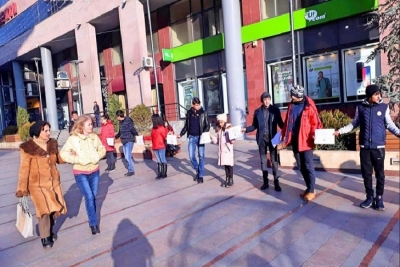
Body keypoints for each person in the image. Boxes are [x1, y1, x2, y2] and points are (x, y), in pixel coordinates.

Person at [334, 85, 400, 210]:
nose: (378, 96)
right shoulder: (361, 107)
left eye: (379, 94)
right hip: (365, 146)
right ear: (369, 96)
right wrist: (340, 131)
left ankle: (379, 198)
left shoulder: (383, 107)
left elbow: (389, 124)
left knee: (380, 174)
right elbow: (354, 123)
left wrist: (398, 133)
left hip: (378, 146)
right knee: (366, 174)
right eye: (376, 94)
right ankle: (369, 197)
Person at [16, 121, 67, 248]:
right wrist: (22, 189)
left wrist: (69, 155)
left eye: (49, 130)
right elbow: (24, 169)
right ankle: (45, 238)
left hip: (53, 183)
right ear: (37, 132)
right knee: (43, 211)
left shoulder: (52, 144)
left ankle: (49, 231)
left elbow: (59, 159)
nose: (48, 133)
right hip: (37, 185)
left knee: (52, 209)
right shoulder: (28, 148)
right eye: (45, 130)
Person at [60, 115, 106, 235]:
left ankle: (93, 219)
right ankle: (93, 223)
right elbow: (63, 154)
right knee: (89, 196)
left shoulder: (94, 137)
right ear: (81, 126)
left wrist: (97, 156)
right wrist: (76, 159)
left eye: (91, 124)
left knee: (93, 196)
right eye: (89, 124)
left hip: (94, 171)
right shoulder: (73, 139)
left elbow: (102, 149)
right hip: (80, 173)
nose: (91, 126)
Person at [281, 85, 322, 201]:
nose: (291, 96)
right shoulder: (291, 105)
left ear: (299, 96)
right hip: (294, 139)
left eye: (293, 94)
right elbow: (287, 122)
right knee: (300, 165)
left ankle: (312, 190)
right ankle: (309, 187)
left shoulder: (309, 105)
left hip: (306, 140)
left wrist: (316, 134)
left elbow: (316, 122)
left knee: (308, 165)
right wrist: (283, 135)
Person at [242, 92, 284, 191]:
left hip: (273, 139)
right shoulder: (258, 112)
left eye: (268, 99)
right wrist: (246, 129)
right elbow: (254, 126)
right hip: (262, 139)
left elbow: (281, 123)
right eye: (265, 99)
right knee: (263, 160)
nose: (267, 101)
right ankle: (265, 182)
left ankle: (276, 183)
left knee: (274, 160)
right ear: (262, 100)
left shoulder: (275, 110)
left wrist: (287, 129)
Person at [177, 97, 210, 184]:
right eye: (196, 105)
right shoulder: (189, 113)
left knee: (201, 156)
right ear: (193, 105)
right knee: (191, 156)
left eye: (199, 105)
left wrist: (204, 133)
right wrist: (180, 134)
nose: (198, 106)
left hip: (200, 137)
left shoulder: (204, 113)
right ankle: (198, 170)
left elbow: (208, 126)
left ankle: (201, 175)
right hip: (191, 137)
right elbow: (186, 126)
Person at [211, 113, 236, 188]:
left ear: (224, 121)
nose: (220, 123)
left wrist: (232, 137)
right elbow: (217, 142)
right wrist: (212, 137)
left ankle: (231, 180)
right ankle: (227, 179)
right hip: (222, 152)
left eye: (222, 122)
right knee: (225, 166)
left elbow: (232, 141)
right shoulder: (219, 130)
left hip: (228, 150)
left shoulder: (228, 129)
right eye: (219, 122)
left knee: (229, 165)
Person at [115, 110, 138, 176]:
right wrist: (116, 137)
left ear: (119, 116)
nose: (116, 118)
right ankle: (130, 169)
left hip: (129, 140)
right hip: (124, 141)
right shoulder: (120, 122)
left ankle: (131, 170)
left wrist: (136, 135)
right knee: (127, 157)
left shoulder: (128, 120)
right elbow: (120, 132)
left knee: (127, 157)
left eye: (117, 116)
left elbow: (132, 129)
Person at [151, 114, 169, 179]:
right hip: (155, 147)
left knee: (162, 159)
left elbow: (165, 136)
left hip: (161, 146)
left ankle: (164, 173)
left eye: (152, 119)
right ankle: (159, 173)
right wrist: (143, 138)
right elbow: (151, 137)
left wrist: (166, 128)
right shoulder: (153, 128)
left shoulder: (161, 128)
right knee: (158, 160)